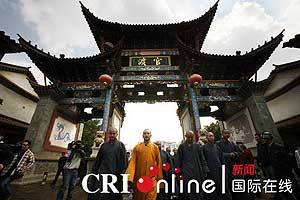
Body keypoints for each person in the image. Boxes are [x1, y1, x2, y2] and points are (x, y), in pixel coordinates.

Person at [88, 127, 127, 200]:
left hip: (115, 174)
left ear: (117, 134)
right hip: (103, 172)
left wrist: (122, 173)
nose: (112, 135)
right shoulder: (104, 145)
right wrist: (94, 171)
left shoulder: (121, 145)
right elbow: (98, 160)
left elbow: (124, 161)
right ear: (108, 134)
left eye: (114, 134)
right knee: (100, 194)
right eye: (110, 134)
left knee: (113, 194)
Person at [261, 131, 300, 200]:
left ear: (268, 139)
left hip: (285, 172)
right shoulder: (267, 149)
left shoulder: (278, 147)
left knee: (294, 189)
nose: (263, 140)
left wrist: (286, 169)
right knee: (285, 192)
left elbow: (288, 159)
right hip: (277, 173)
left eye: (264, 139)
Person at [125, 129, 163, 200]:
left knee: (151, 197)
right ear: (142, 135)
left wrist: (160, 179)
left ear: (150, 135)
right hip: (139, 178)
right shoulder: (137, 147)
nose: (146, 135)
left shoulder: (155, 148)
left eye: (148, 133)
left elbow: (159, 164)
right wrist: (129, 177)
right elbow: (132, 162)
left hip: (152, 179)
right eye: (145, 133)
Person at [176, 130, 209, 200]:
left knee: (198, 189)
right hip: (186, 172)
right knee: (188, 190)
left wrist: (205, 169)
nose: (190, 139)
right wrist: (178, 173)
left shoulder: (197, 146)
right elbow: (178, 160)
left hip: (197, 171)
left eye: (191, 137)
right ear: (185, 137)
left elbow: (202, 158)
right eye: (188, 137)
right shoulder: (181, 147)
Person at [202, 132, 232, 200]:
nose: (211, 137)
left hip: (220, 171)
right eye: (209, 136)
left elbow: (222, 160)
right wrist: (206, 171)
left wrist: (225, 170)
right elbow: (203, 161)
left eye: (212, 136)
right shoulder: (203, 148)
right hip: (211, 173)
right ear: (206, 138)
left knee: (224, 189)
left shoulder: (217, 147)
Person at [216, 129, 241, 199]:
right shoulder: (218, 144)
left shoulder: (232, 143)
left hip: (233, 166)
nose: (227, 135)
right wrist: (228, 155)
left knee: (235, 184)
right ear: (222, 134)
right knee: (227, 185)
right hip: (225, 167)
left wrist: (235, 154)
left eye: (228, 133)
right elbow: (217, 154)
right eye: (225, 133)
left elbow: (239, 152)